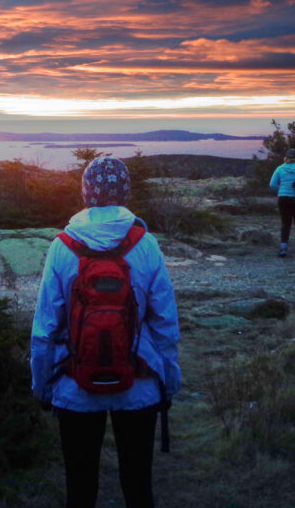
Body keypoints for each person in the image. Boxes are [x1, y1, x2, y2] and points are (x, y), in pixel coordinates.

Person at [31, 156, 181, 508]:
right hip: (140, 385)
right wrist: (168, 380)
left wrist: (42, 386)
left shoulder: (62, 247)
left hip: (74, 387)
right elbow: (165, 324)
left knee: (80, 488)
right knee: (138, 484)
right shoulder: (146, 245)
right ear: (125, 193)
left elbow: (45, 330)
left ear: (85, 193)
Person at [269, 148, 295, 257]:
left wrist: (281, 190)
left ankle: (283, 248)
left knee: (285, 223)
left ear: (286, 158)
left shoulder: (279, 169)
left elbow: (272, 185)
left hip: (283, 198)